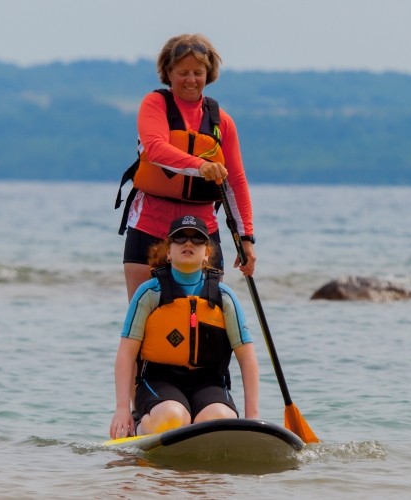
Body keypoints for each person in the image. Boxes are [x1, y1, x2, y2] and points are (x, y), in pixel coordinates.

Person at [116, 33, 257, 301]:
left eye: (197, 72)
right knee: (144, 322)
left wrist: (246, 239)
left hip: (203, 232)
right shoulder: (155, 104)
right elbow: (156, 150)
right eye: (183, 72)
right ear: (168, 72)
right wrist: (201, 166)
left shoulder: (221, 122)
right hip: (150, 226)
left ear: (208, 74)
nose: (191, 80)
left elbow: (236, 182)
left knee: (206, 321)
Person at [109, 215, 259, 439]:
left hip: (209, 382)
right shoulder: (150, 293)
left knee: (217, 420)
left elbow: (247, 358)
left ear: (207, 253)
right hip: (159, 381)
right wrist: (122, 409)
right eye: (179, 239)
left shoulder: (223, 297)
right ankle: (141, 427)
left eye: (197, 239)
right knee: (173, 417)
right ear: (168, 252)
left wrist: (252, 418)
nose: (188, 243)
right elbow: (126, 353)